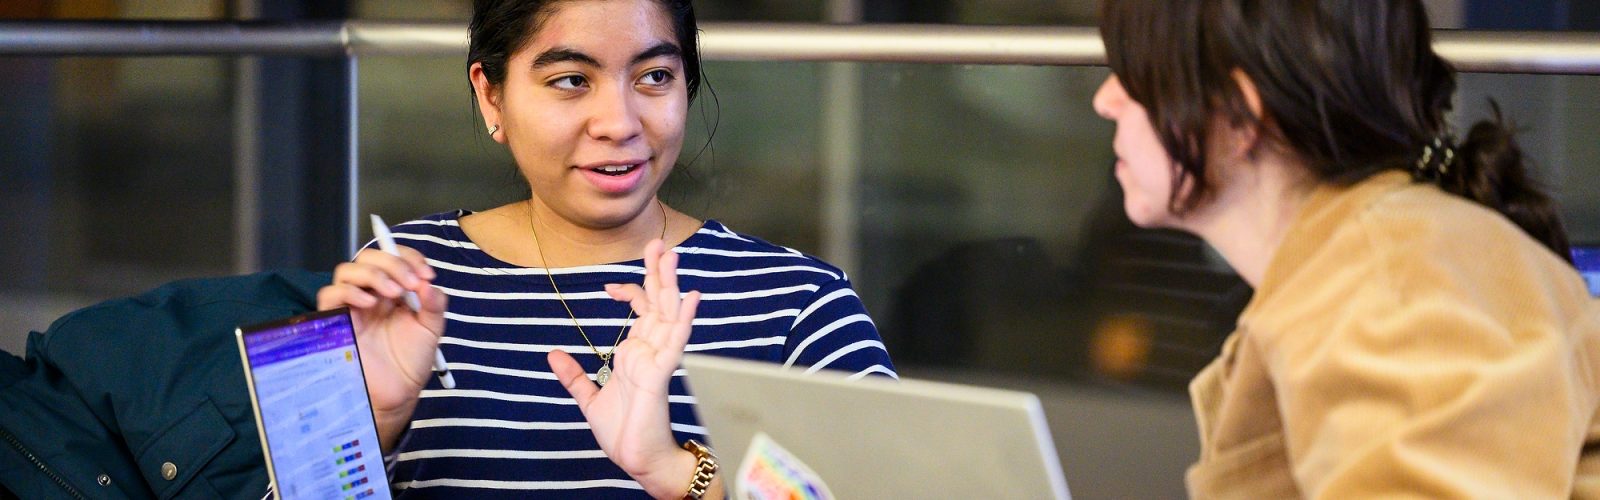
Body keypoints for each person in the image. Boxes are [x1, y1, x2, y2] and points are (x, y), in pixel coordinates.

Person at [316, 0, 895, 498]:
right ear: (492, 97)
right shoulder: (407, 279)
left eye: (654, 77)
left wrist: (679, 473)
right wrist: (369, 421)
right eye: (571, 79)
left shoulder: (796, 304)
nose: (618, 123)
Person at [1093, 0, 1600, 497]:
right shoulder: (1357, 269)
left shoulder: (1395, 296)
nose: (1105, 100)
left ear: (1238, 116)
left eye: (1135, 76)